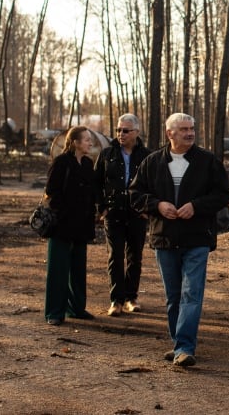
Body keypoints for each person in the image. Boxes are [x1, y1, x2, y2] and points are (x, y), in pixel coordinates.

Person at [129, 113, 229, 367]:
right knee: (173, 295)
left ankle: (185, 346)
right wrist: (157, 204)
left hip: (197, 238)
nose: (190, 133)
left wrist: (196, 206)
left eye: (192, 128)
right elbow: (134, 194)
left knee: (191, 293)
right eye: (184, 129)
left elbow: (222, 195)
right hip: (164, 238)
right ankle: (178, 344)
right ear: (169, 133)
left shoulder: (208, 162)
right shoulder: (152, 162)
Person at [94, 114, 152, 317]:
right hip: (113, 213)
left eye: (125, 130)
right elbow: (97, 183)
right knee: (115, 257)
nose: (121, 134)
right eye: (118, 130)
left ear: (136, 132)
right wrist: (102, 208)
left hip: (137, 214)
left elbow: (153, 185)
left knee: (135, 257)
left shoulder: (146, 156)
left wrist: (147, 209)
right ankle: (116, 300)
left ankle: (131, 298)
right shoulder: (107, 154)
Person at [44, 126, 98, 326]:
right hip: (62, 226)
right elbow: (52, 192)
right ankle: (54, 312)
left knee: (78, 269)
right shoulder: (61, 163)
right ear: (75, 142)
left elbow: (91, 193)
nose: (90, 143)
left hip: (82, 226)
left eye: (90, 140)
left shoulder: (87, 163)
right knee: (58, 270)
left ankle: (76, 308)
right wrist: (64, 213)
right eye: (86, 140)